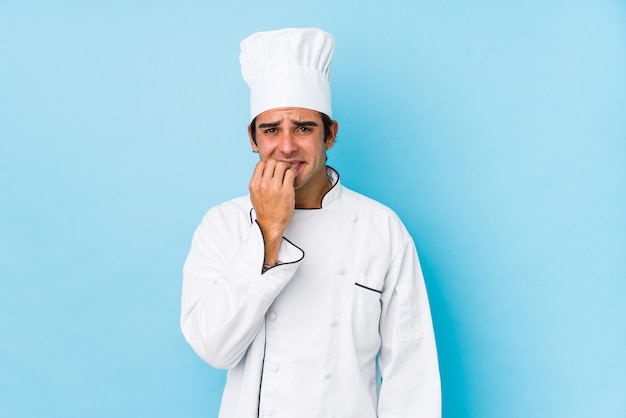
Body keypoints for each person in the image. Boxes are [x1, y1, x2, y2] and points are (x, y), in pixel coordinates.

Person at [181, 27, 441, 418]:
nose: (286, 146)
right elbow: (215, 348)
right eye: (271, 130)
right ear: (253, 139)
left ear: (330, 135)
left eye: (303, 128)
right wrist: (269, 232)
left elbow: (412, 371)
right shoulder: (223, 225)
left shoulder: (380, 228)